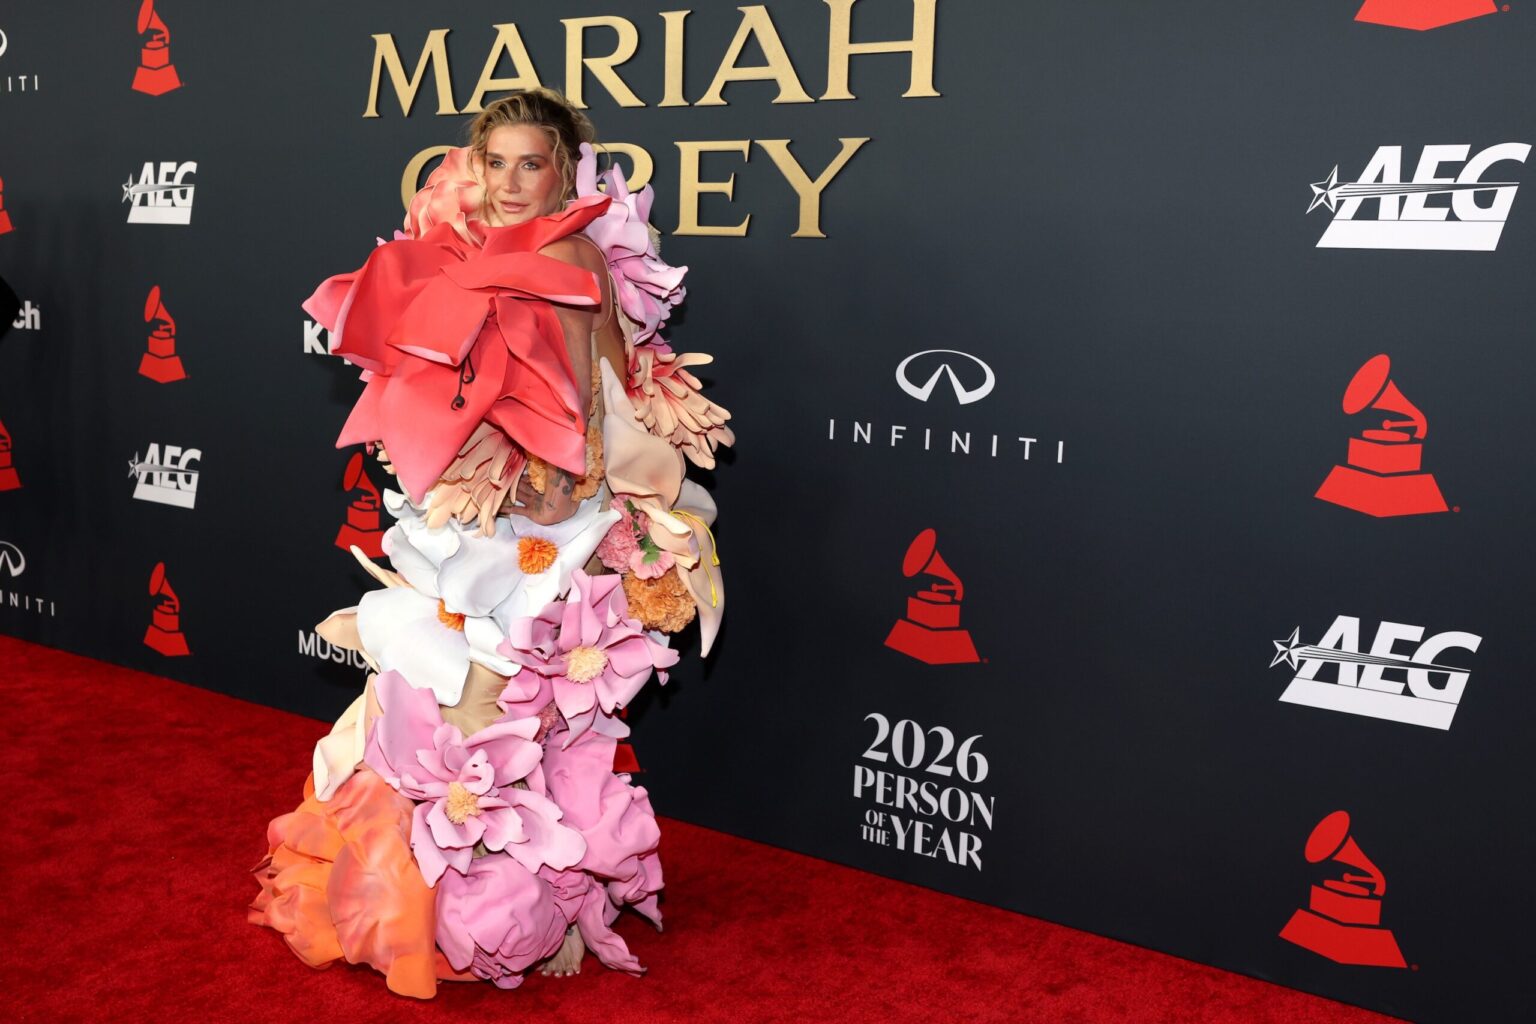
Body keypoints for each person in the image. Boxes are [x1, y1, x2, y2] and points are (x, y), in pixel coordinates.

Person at [250, 88, 733, 997]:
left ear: (563, 172)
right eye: (495, 162)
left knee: (522, 713)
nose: (511, 182)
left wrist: (570, 485)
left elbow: (603, 382)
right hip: (477, 504)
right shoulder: (460, 249)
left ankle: (531, 909)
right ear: (472, 167)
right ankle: (418, 901)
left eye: (532, 163)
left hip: (550, 511)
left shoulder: (575, 252)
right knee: (439, 702)